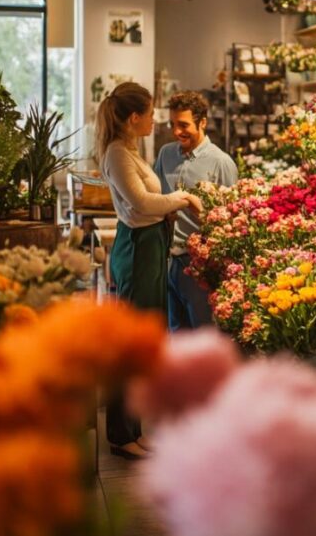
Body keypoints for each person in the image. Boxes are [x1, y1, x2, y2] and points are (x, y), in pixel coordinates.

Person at [98, 82, 202, 460]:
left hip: (152, 243)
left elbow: (145, 204)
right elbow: (140, 201)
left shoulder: (129, 150)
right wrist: (184, 198)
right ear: (134, 117)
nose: (157, 119)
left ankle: (133, 430)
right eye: (152, 112)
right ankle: (122, 435)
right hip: (140, 248)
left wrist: (167, 207)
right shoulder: (117, 153)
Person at [154, 91, 238, 332]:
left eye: (184, 125)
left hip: (201, 267)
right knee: (175, 336)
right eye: (173, 124)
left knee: (203, 337)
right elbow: (157, 196)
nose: (176, 132)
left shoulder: (221, 163)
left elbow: (231, 221)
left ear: (203, 122)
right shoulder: (166, 154)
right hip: (169, 259)